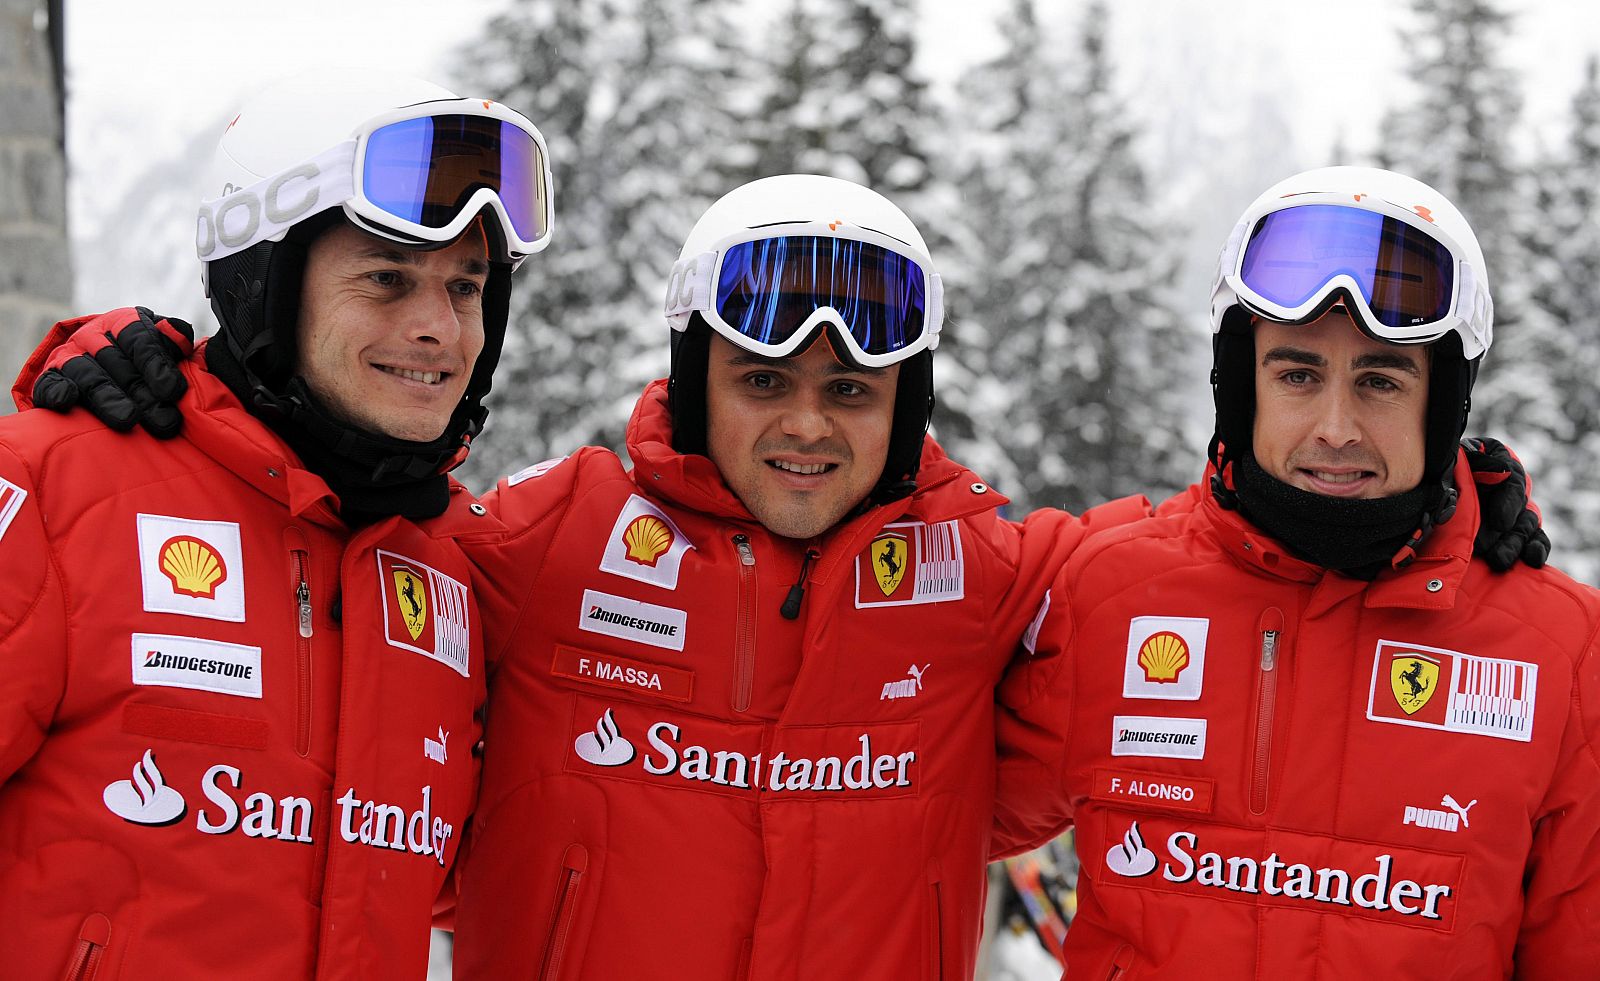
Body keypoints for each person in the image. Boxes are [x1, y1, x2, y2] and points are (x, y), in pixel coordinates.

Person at [24, 170, 1547, 980]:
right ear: (691, 378)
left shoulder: (1005, 578)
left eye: (855, 388)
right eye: (762, 379)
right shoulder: (525, 550)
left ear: (911, 405)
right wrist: (162, 376)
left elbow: (1241, 562)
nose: (808, 425)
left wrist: (1449, 526)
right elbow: (328, 524)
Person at [0, 69, 553, 979]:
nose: (439, 330)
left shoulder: (455, 572)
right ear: (266, 285)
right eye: (386, 278)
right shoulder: (55, 495)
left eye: (465, 288)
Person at [991, 166, 1600, 978]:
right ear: (1242, 387)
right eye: (1298, 374)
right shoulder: (1111, 592)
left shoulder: (1561, 654)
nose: (1336, 428)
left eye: (1381, 379)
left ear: (1443, 401)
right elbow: (890, 800)